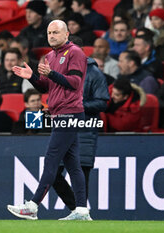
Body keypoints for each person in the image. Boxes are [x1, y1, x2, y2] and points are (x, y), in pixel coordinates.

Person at [7, 20, 91, 220]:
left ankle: (33, 206)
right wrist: (31, 77)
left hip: (70, 113)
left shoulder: (76, 53)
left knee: (51, 159)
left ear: (66, 34)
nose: (51, 36)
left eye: (55, 32)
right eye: (49, 33)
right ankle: (81, 210)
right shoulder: (49, 56)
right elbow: (45, 87)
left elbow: (75, 83)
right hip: (59, 113)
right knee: (72, 165)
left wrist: (52, 73)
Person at [52, 36, 109, 214]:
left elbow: (102, 102)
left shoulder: (93, 73)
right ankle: (77, 210)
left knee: (81, 175)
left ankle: (80, 212)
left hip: (84, 130)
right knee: (53, 174)